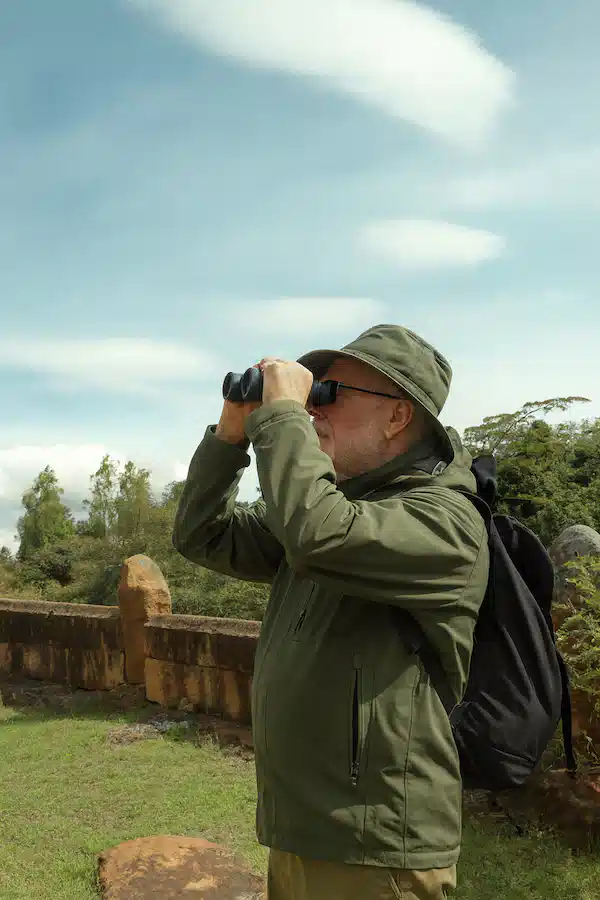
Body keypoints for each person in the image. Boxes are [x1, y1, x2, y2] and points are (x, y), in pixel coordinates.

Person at [172, 323, 490, 900]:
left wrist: (282, 417)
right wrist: (230, 433)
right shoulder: (331, 507)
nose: (313, 407)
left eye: (329, 393)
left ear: (398, 416)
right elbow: (203, 534)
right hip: (303, 828)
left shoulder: (444, 520)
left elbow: (317, 535)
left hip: (375, 845)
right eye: (311, 393)